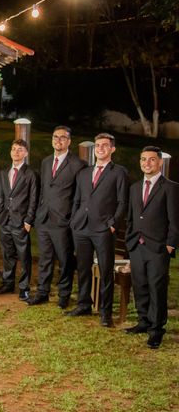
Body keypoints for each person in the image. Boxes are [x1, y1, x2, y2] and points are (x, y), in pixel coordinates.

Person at [67, 133, 129, 327]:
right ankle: (84, 303)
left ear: (112, 149)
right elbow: (77, 199)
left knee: (105, 271)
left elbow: (122, 202)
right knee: (83, 268)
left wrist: (112, 224)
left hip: (103, 229)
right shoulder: (84, 173)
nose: (100, 148)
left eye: (104, 145)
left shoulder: (119, 172)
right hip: (81, 227)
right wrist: (74, 220)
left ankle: (105, 312)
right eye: (98, 145)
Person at [124, 146, 178, 349]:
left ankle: (156, 330)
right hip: (137, 246)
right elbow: (130, 217)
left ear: (160, 162)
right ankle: (143, 321)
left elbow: (175, 221)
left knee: (157, 288)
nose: (147, 163)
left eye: (151, 160)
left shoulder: (170, 187)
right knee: (141, 285)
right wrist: (130, 240)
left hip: (159, 248)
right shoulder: (135, 187)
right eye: (143, 159)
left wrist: (170, 246)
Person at [27, 126, 86, 308]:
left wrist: (73, 218)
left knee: (65, 259)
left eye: (62, 138)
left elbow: (80, 195)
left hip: (63, 220)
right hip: (44, 219)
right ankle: (42, 292)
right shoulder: (45, 162)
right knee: (45, 258)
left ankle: (64, 294)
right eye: (55, 137)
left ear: (69, 141)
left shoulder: (78, 164)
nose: (58, 140)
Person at [0, 139, 39, 301]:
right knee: (7, 254)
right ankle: (8, 283)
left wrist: (28, 220)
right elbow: (1, 196)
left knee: (24, 256)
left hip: (21, 222)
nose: (16, 152)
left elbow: (34, 199)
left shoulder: (30, 174)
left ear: (25, 153)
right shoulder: (5, 172)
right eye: (13, 149)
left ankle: (24, 287)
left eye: (20, 150)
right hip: (5, 221)